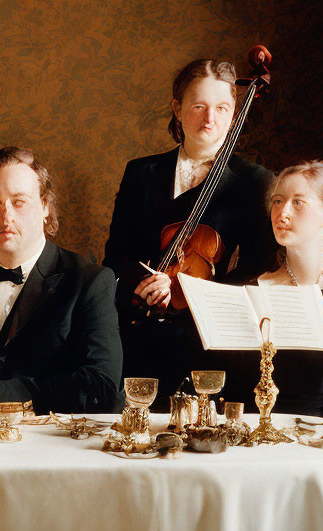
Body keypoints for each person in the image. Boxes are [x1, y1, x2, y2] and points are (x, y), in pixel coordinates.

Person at [103, 59, 277, 402]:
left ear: (233, 113)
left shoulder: (255, 181)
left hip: (205, 339)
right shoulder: (141, 172)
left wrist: (190, 291)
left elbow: (258, 268)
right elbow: (116, 253)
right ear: (177, 110)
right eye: (198, 106)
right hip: (136, 331)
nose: (209, 119)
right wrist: (145, 284)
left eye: (222, 108)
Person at [0, 147, 122, 414]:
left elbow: (101, 387)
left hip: (54, 447)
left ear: (45, 205)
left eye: (19, 201)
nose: (6, 216)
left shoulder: (89, 280)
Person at [217, 161, 323, 426]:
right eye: (277, 201)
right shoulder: (251, 290)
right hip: (250, 441)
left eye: (298, 202)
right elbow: (232, 389)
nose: (282, 213)